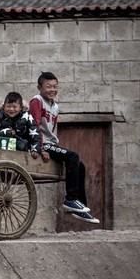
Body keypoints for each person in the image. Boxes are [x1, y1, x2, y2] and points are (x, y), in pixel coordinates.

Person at [29, 72, 100, 224]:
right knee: (72, 156)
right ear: (39, 87)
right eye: (48, 86)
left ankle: (80, 207)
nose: (52, 89)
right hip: (43, 144)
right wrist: (40, 147)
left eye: (55, 86)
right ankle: (70, 199)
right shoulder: (37, 101)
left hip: (52, 144)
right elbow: (34, 125)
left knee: (80, 165)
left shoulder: (55, 106)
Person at [0, 92, 40, 156]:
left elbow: (35, 135)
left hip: (23, 149)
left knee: (22, 144)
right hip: (2, 149)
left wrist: (35, 149)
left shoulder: (27, 116)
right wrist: (6, 132)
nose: (11, 109)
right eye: (8, 106)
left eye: (14, 107)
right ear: (3, 107)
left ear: (21, 107)